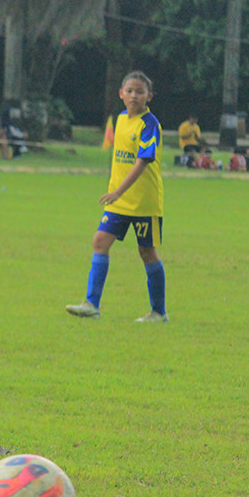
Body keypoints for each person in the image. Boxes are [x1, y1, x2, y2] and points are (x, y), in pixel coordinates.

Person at [66, 70, 167, 323]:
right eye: (130, 91)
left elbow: (143, 162)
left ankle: (159, 312)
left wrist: (118, 191)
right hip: (118, 202)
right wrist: (116, 193)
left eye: (140, 92)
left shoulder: (149, 124)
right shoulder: (121, 119)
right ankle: (91, 304)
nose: (134, 96)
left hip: (144, 202)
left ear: (149, 97)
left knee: (147, 252)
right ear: (121, 94)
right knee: (100, 241)